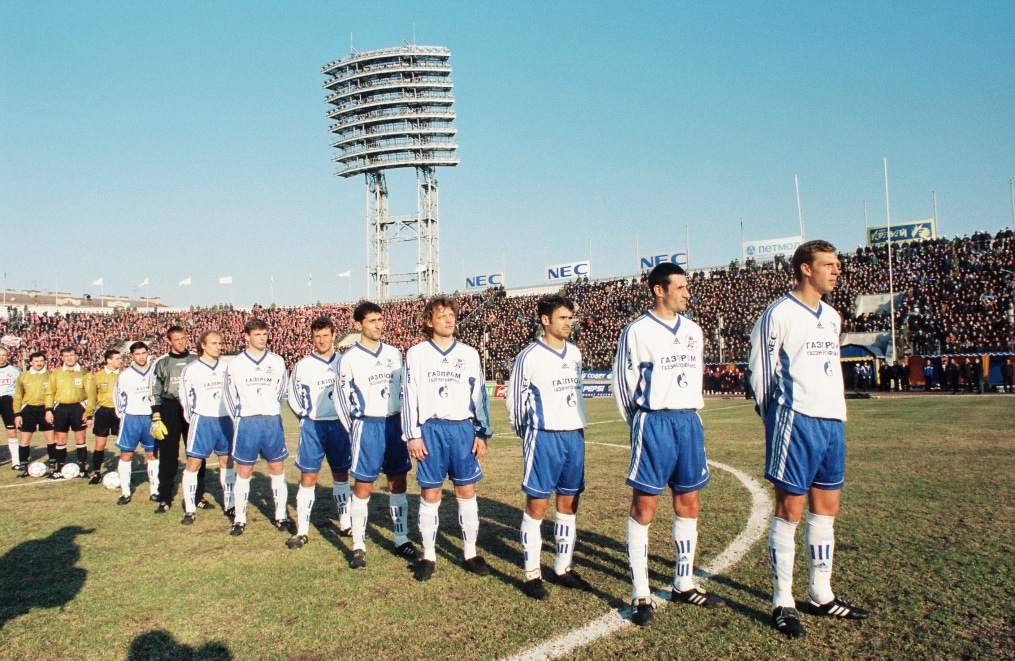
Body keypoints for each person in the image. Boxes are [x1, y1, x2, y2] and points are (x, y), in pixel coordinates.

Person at [749, 240, 870, 639]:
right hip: (796, 421)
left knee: (826, 509)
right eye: (829, 265)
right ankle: (783, 600)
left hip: (832, 421)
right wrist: (775, 416)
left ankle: (821, 593)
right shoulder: (778, 313)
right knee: (790, 510)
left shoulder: (832, 316)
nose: (836, 271)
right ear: (805, 269)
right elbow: (761, 374)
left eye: (837, 265)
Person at [612, 262, 726, 628]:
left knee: (689, 502)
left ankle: (684, 582)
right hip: (654, 422)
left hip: (688, 421)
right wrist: (641, 423)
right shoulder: (637, 331)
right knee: (645, 507)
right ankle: (641, 591)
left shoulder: (694, 330)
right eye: (679, 287)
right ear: (659, 290)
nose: (686, 293)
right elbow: (622, 385)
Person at [506, 294, 591, 600]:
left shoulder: (575, 353)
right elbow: (514, 402)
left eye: (571, 318)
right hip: (543, 436)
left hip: (573, 435)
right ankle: (531, 574)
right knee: (537, 505)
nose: (569, 323)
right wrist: (529, 434)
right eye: (563, 318)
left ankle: (562, 567)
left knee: (568, 504)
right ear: (545, 320)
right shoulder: (530, 356)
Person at [403, 295, 492, 582]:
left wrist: (482, 432)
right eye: (441, 315)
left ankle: (470, 552)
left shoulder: (469, 354)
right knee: (431, 494)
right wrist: (412, 435)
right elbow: (409, 397)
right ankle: (428, 554)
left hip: (462, 430)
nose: (449, 319)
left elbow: (479, 395)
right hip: (431, 429)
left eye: (452, 314)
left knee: (466, 492)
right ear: (429, 321)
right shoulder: (416, 354)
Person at [335, 303, 416, 567]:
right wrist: (354, 428)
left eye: (380, 319)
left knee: (398, 483)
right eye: (372, 320)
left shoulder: (394, 354)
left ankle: (401, 538)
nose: (379, 325)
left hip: (393, 424)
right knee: (363, 486)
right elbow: (340, 399)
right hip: (366, 425)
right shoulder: (348, 359)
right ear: (358, 325)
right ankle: (358, 545)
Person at [286, 316, 353, 549]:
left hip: (339, 426)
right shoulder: (303, 365)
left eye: (326, 335)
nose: (322, 340)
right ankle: (302, 530)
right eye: (317, 336)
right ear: (312, 338)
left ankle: (346, 522)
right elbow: (293, 396)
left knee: (341, 475)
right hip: (314, 427)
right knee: (308, 478)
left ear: (334, 336)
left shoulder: (345, 362)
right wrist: (305, 417)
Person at [223, 318, 291, 537]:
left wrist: (270, 407)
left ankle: (281, 515)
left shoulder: (277, 361)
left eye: (264, 334)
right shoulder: (235, 364)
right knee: (244, 471)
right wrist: (240, 416)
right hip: (247, 421)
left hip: (271, 421)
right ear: (247, 336)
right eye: (257, 334)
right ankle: (240, 518)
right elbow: (228, 395)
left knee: (277, 469)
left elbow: (281, 390)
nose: (262, 338)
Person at [178, 330, 235, 525]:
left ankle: (230, 504)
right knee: (194, 462)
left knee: (226, 462)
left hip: (224, 421)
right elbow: (184, 396)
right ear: (203, 345)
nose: (218, 346)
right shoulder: (191, 369)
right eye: (214, 343)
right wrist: (192, 417)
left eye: (220, 343)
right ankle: (190, 508)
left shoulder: (227, 368)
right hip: (202, 421)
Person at [151, 326, 206, 514]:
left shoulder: (194, 360)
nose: (182, 342)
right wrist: (156, 415)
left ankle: (198, 496)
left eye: (184, 338)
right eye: (177, 339)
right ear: (169, 341)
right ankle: (165, 497)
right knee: (168, 455)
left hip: (191, 407)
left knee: (197, 453)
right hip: (169, 408)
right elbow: (155, 391)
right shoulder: (161, 363)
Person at [113, 342, 160, 505]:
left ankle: (155, 490)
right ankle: (125, 492)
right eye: (137, 354)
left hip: (150, 418)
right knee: (127, 455)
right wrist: (123, 415)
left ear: (148, 353)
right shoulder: (125, 375)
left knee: (152, 455)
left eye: (143, 353)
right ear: (132, 356)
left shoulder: (154, 373)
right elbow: (118, 397)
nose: (141, 356)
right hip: (131, 419)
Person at [49, 347, 94, 478]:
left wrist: (89, 412)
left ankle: (83, 469)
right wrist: (48, 410)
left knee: (80, 439)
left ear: (76, 357)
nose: (69, 358)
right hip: (61, 409)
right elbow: (49, 393)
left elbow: (90, 394)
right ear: (62, 358)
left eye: (72, 355)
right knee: (61, 440)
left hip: (78, 408)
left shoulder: (85, 373)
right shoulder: (56, 373)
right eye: (66, 356)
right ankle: (59, 468)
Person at [12, 351, 54, 478]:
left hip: (46, 409)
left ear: (45, 362)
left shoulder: (50, 375)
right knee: (25, 439)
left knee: (51, 438)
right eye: (36, 361)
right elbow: (18, 396)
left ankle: (53, 466)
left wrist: (50, 409)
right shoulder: (23, 377)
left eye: (41, 361)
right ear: (31, 362)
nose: (39, 363)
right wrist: (17, 413)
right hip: (28, 410)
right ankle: (23, 467)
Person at [85, 349, 121, 484]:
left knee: (124, 445)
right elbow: (92, 398)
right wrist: (89, 416)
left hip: (120, 413)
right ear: (109, 360)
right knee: (100, 444)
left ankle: (124, 473)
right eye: (117, 358)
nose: (120, 361)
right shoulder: (97, 376)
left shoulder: (124, 375)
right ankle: (97, 473)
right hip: (103, 413)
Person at [0, 347, 22, 469]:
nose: (1, 357)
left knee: (11, 430)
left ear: (7, 356)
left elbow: (20, 390)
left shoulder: (15, 371)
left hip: (7, 401)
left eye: (3, 355)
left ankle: (16, 461)